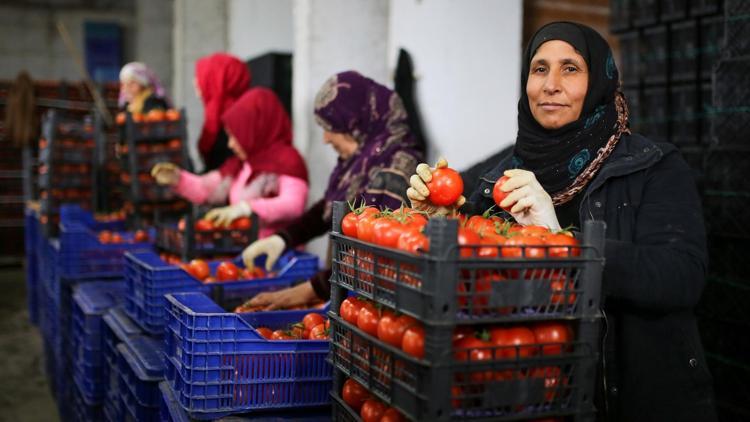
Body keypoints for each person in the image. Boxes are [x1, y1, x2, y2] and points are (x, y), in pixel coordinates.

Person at [408, 22, 716, 422]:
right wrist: (442, 225)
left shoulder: (653, 166)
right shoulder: (496, 178)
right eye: (539, 69)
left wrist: (563, 240)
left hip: (629, 399)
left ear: (601, 81)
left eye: (570, 68)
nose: (551, 84)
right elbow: (474, 290)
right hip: (529, 397)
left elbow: (682, 277)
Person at [241, 70, 424, 309]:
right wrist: (283, 238)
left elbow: (370, 260)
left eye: (332, 127)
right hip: (343, 295)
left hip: (370, 305)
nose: (326, 139)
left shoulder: (398, 170)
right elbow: (330, 208)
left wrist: (304, 293)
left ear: (358, 123)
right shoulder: (361, 162)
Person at [150, 87, 308, 238]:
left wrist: (248, 208)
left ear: (254, 130)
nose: (230, 144)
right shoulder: (242, 164)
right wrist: (178, 179)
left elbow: (293, 205)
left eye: (235, 136)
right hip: (245, 248)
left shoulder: (287, 160)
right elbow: (208, 189)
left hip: (279, 256)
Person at [194, 53, 251, 172]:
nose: (195, 81)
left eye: (202, 76)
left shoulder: (237, 120)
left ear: (215, 80)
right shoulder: (215, 114)